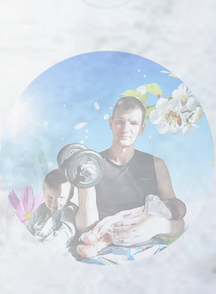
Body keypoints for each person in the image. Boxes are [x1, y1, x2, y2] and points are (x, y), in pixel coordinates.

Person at [75, 96, 185, 246]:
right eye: (120, 122)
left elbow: (178, 222)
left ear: (142, 128)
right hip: (105, 248)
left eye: (133, 123)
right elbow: (85, 227)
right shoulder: (90, 165)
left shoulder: (156, 165)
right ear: (111, 123)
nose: (125, 129)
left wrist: (157, 225)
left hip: (149, 249)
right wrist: (86, 180)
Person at [76, 194, 186, 259]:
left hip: (122, 223)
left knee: (109, 226)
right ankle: (94, 248)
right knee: (110, 237)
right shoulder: (168, 217)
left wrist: (158, 223)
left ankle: (94, 236)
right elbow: (177, 226)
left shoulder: (158, 204)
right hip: (129, 240)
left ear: (166, 200)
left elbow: (150, 197)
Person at [27, 169, 78, 254]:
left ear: (70, 195)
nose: (55, 203)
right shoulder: (41, 210)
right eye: (50, 198)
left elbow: (64, 235)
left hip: (55, 249)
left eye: (61, 198)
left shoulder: (70, 211)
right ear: (44, 194)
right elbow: (29, 231)